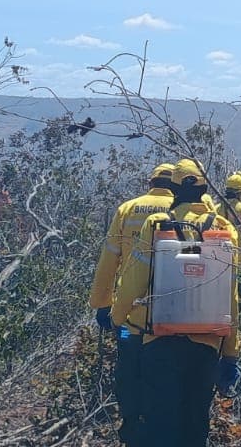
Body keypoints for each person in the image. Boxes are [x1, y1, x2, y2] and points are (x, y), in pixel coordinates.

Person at [110, 159, 241, 447]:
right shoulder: (223, 228)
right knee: (195, 424)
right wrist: (231, 352)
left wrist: (117, 318)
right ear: (206, 187)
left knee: (161, 422)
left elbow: (134, 279)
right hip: (206, 345)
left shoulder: (157, 225)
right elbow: (231, 295)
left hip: (159, 340)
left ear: (173, 189)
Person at [89, 162, 176, 447]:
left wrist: (103, 304)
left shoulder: (128, 209)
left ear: (150, 182)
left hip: (130, 318)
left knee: (128, 365)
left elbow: (109, 260)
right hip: (171, 318)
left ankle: (131, 422)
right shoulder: (182, 211)